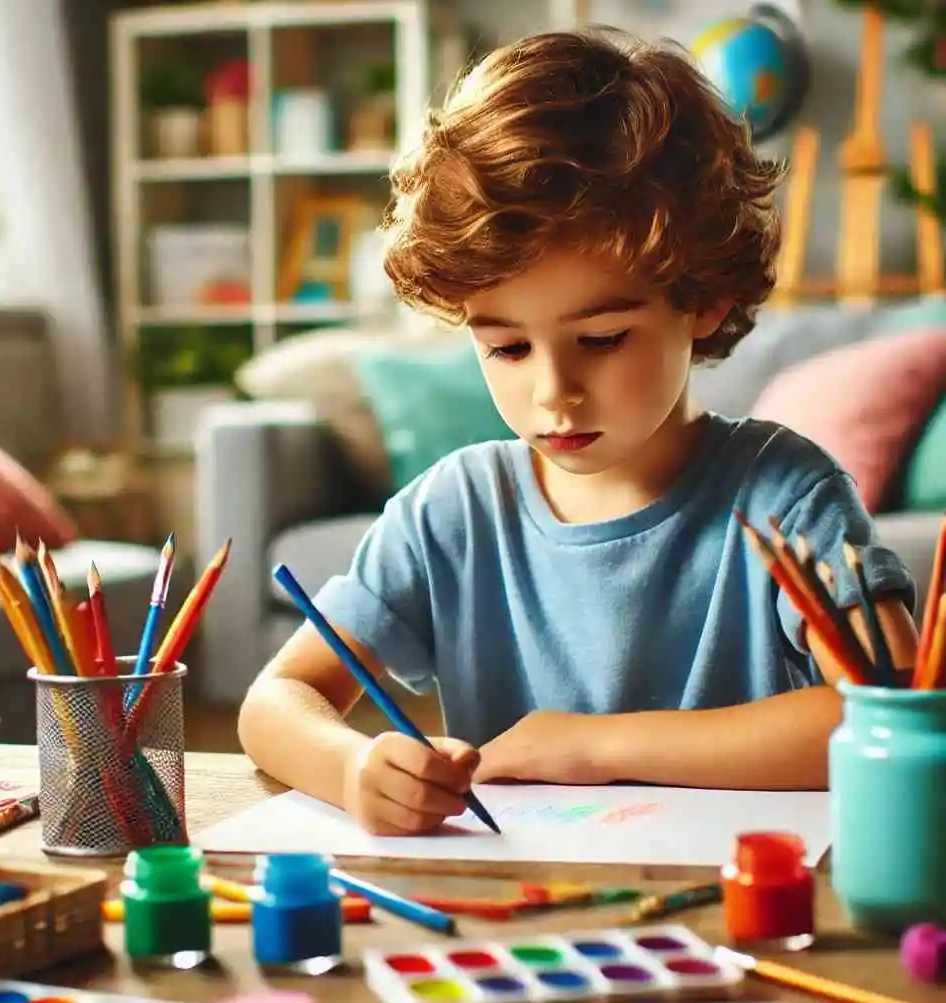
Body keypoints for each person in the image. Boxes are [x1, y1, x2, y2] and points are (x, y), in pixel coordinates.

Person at [238, 27, 918, 836]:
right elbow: (275, 704)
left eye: (600, 340)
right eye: (507, 347)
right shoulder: (451, 513)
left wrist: (592, 747)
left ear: (703, 301)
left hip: (745, 915)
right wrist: (353, 768)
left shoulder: (788, 493)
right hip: (521, 913)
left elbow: (887, 712)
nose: (553, 392)